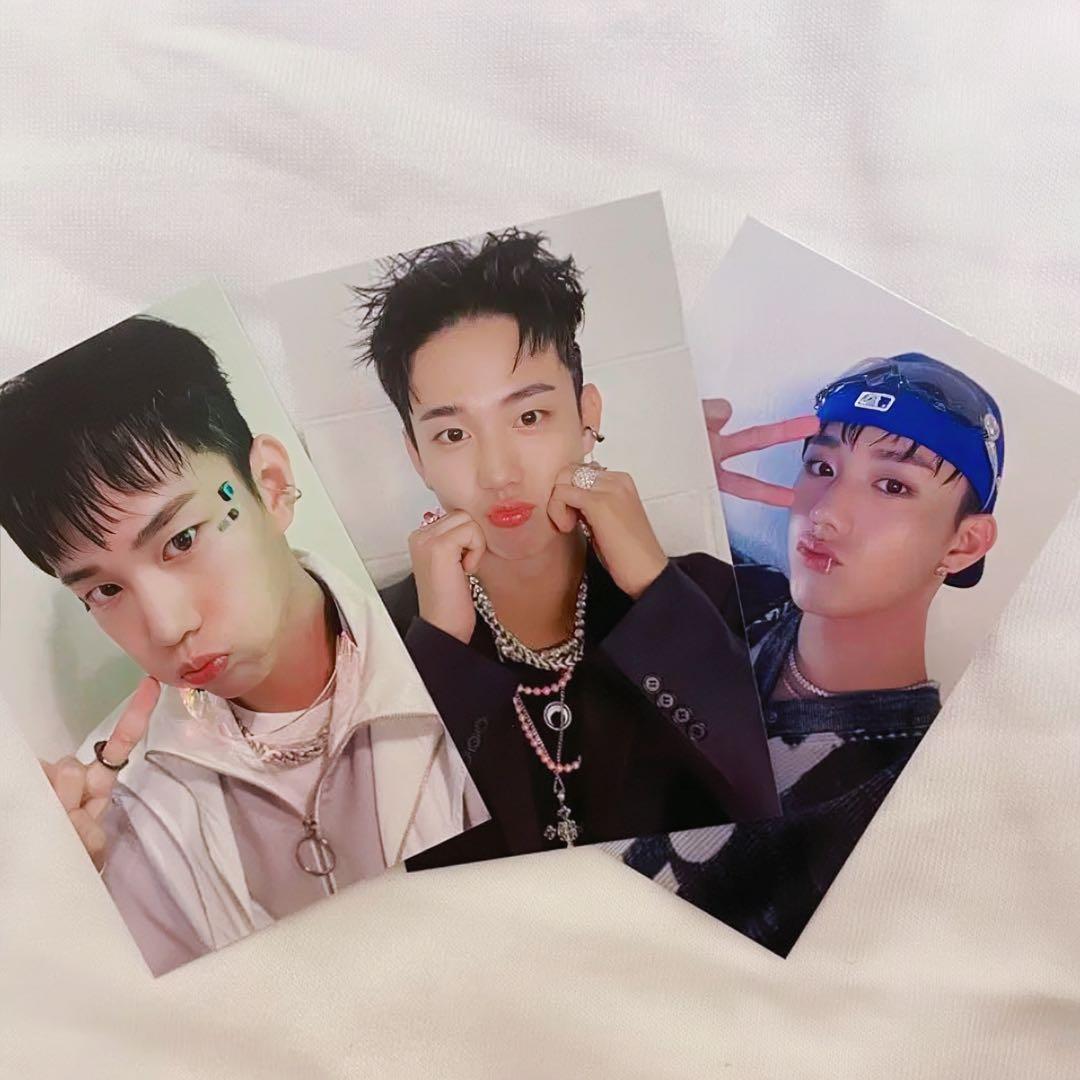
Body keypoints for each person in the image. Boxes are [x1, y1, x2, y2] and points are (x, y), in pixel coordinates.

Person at [0, 315, 486, 974]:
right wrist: (71, 932)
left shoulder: (455, 646)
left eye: (182, 539)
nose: (166, 627)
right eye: (105, 590)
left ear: (272, 485)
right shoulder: (112, 814)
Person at [349, 228, 780, 868]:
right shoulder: (369, 645)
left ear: (587, 418)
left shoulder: (721, 599)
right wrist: (438, 654)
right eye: (453, 434)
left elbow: (784, 802)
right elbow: (372, 864)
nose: (498, 473)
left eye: (529, 417)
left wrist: (657, 592)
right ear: (417, 457)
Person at [617, 352, 1004, 956]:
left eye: (893, 485)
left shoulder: (907, 807)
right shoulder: (725, 594)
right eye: (821, 467)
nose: (825, 513)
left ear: (964, 544)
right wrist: (663, 473)